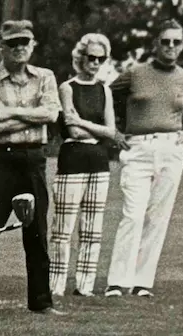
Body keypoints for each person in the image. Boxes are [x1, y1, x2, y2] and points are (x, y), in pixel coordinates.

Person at [104, 19, 183, 298]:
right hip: (137, 149)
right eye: (165, 41)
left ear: (182, 45)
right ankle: (117, 282)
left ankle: (142, 283)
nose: (170, 46)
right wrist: (113, 132)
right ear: (156, 43)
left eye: (176, 42)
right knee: (133, 214)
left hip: (171, 148)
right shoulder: (135, 73)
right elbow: (104, 95)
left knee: (158, 217)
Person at [0, 20, 64, 315]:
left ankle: (41, 302)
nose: (19, 48)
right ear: (1, 47)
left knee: (36, 231)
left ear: (32, 45)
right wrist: (32, 115)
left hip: (33, 158)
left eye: (24, 42)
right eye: (12, 43)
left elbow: (51, 114)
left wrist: (11, 112)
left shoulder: (45, 77)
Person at [49, 33, 128, 298]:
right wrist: (98, 130)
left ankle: (85, 286)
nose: (95, 63)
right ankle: (56, 285)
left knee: (92, 229)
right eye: (91, 57)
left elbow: (111, 131)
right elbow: (72, 130)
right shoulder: (67, 88)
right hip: (72, 159)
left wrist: (84, 123)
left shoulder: (104, 90)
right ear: (81, 58)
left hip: (99, 162)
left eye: (100, 59)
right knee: (63, 228)